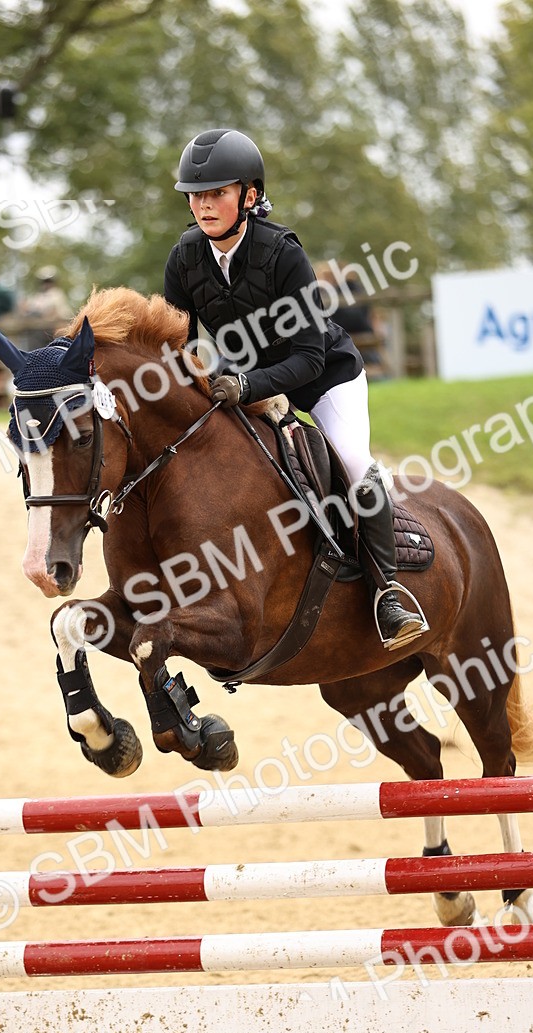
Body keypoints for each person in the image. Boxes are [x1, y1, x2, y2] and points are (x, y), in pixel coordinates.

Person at [163, 128, 424, 649]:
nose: (204, 205)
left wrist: (247, 383)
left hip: (324, 377)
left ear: (250, 196)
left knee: (351, 460)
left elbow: (307, 357)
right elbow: (180, 345)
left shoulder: (282, 253)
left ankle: (388, 592)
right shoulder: (185, 258)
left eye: (217, 193)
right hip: (246, 384)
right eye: (196, 195)